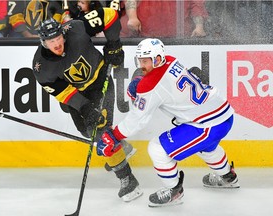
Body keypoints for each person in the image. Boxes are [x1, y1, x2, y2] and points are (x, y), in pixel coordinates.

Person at [96, 38, 240, 207]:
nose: (142, 65)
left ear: (157, 59)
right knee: (207, 147)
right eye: (140, 60)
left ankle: (174, 191)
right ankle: (228, 177)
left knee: (158, 148)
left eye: (146, 61)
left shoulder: (150, 86)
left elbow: (137, 120)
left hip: (207, 124)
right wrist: (141, 83)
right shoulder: (170, 60)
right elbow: (160, 85)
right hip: (222, 113)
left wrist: (114, 135)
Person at [31, 11, 142, 201]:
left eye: (58, 38)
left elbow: (109, 15)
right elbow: (63, 93)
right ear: (43, 42)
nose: (57, 44)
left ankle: (129, 181)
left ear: (62, 34)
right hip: (77, 93)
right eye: (51, 41)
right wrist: (85, 108)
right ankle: (121, 147)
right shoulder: (41, 68)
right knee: (85, 130)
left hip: (101, 81)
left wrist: (114, 44)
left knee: (100, 132)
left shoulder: (76, 28)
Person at [120, 0, 207, 38]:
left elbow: (196, 4)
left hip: (179, 38)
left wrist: (199, 26)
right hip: (144, 35)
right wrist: (132, 17)